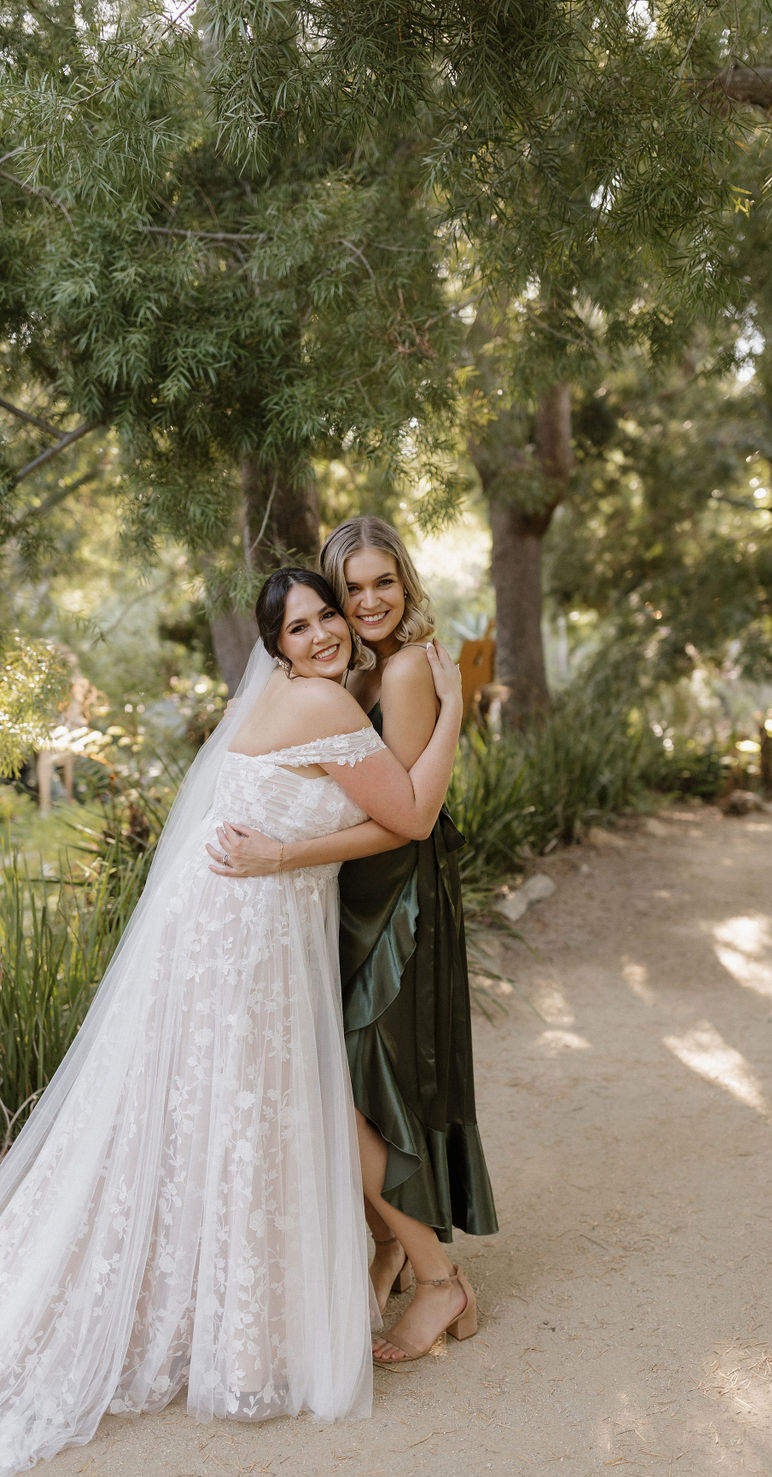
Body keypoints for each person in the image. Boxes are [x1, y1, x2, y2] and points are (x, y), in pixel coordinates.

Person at [0, 569, 465, 1477]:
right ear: (280, 648)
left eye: (328, 614)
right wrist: (453, 710)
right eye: (301, 626)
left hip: (228, 930)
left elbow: (353, 820)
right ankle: (420, 1271)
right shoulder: (321, 700)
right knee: (301, 1112)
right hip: (244, 937)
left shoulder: (299, 701)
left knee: (274, 1113)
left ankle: (377, 1278)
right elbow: (413, 816)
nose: (325, 632)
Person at [208, 520, 497, 1365]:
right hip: (336, 898)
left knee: (365, 1089)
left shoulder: (404, 668)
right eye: (351, 589)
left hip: (391, 903)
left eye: (383, 585)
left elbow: (408, 818)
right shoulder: (351, 668)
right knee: (360, 1091)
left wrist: (456, 711)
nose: (365, 604)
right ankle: (396, 1251)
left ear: (406, 586)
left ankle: (433, 1272)